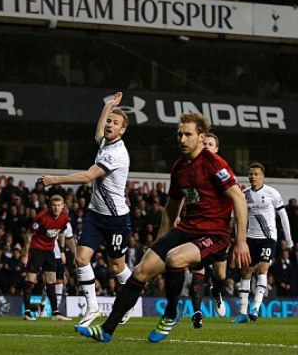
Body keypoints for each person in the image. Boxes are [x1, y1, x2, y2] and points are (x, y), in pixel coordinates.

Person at [76, 111, 250, 343]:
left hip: (214, 235)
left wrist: (240, 241)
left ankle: (171, 313)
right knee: (139, 271)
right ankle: (106, 330)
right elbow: (171, 208)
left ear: (201, 137)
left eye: (188, 134)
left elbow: (238, 199)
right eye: (179, 134)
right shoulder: (179, 167)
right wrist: (159, 241)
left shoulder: (213, 163)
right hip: (187, 229)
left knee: (175, 259)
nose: (182, 139)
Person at [39, 92, 133, 326]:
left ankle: (130, 299)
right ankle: (92, 309)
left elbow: (88, 176)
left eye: (115, 123)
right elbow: (98, 132)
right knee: (81, 259)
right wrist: (108, 107)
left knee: (117, 266)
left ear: (123, 131)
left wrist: (55, 180)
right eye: (110, 121)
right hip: (95, 214)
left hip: (116, 219)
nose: (110, 125)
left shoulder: (116, 153)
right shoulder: (105, 142)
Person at [233, 162, 293, 323]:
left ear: (262, 176)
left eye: (256, 174)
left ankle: (256, 307)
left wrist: (288, 239)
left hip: (268, 237)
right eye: (250, 174)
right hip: (250, 239)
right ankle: (243, 312)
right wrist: (237, 239)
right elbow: (238, 219)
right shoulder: (244, 195)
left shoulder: (272, 193)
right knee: (245, 272)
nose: (252, 176)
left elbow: (283, 216)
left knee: (263, 267)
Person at [185, 132, 228, 328]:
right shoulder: (192, 169)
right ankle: (197, 311)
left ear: (217, 149)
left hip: (219, 229)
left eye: (211, 144)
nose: (208, 146)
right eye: (205, 144)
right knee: (198, 266)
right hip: (199, 226)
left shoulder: (223, 171)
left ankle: (216, 291)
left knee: (220, 275)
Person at [21, 195, 71, 321]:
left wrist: (63, 252)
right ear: (50, 206)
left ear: (63, 206)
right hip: (36, 250)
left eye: (59, 205)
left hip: (49, 251)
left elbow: (62, 233)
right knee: (30, 280)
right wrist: (25, 254)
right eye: (54, 205)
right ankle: (27, 312)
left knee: (51, 282)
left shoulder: (64, 218)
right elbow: (29, 234)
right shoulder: (41, 217)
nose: (56, 208)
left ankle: (55, 313)